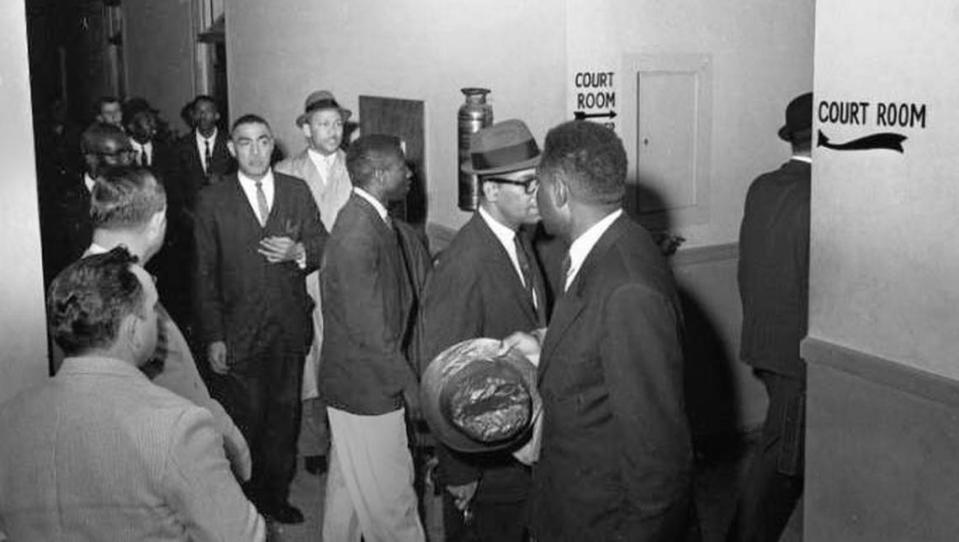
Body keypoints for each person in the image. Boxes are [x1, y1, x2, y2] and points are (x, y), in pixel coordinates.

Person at [505, 120, 694, 540]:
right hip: (572, 503)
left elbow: (657, 458)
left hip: (601, 524)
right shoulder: (611, 247)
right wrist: (542, 340)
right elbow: (600, 346)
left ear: (558, 191)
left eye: (536, 187)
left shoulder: (627, 286)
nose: (535, 198)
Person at [0, 247, 265, 541]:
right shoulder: (179, 426)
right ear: (133, 331)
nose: (159, 320)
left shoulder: (8, 418)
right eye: (153, 309)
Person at [193, 114, 328, 524]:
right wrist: (214, 336)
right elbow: (204, 274)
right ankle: (243, 505)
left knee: (283, 420)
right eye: (245, 143)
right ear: (231, 149)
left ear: (274, 145)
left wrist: (299, 252)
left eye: (263, 141)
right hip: (238, 333)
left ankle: (274, 497)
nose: (255, 151)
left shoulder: (296, 190)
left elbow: (323, 242)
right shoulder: (212, 200)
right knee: (243, 423)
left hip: (288, 329)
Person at [420, 119, 547, 542]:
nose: (539, 193)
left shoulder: (519, 240)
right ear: (491, 191)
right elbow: (442, 375)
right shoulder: (464, 263)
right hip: (485, 466)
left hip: (521, 452)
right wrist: (459, 472)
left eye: (540, 181)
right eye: (527, 184)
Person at [83, 164, 251, 482]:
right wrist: (235, 450)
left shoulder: (74, 280)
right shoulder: (133, 294)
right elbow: (184, 389)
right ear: (158, 222)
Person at [318, 134, 431, 542]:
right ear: (382, 174)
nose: (410, 174)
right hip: (367, 390)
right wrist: (411, 389)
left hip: (354, 384)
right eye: (404, 167)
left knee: (346, 502)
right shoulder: (356, 234)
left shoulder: (372, 220)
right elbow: (371, 332)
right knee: (395, 510)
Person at [726, 92, 812, 542]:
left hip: (764, 341)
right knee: (781, 462)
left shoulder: (763, 186)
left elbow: (750, 266)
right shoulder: (821, 197)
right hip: (799, 354)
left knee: (785, 452)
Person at [275, 90, 354, 476]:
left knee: (342, 355)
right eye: (324, 123)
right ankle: (313, 444)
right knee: (308, 362)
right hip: (304, 278)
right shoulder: (286, 172)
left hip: (347, 277)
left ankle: (345, 438)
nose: (333, 131)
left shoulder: (356, 167)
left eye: (338, 123)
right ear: (306, 129)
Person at [48, 122, 134, 279]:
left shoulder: (136, 194)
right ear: (91, 160)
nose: (127, 161)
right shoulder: (64, 207)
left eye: (129, 153)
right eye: (118, 154)